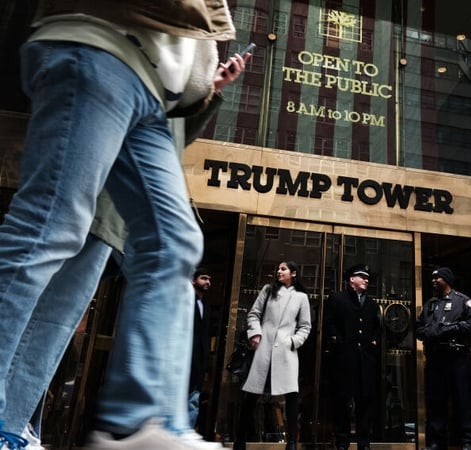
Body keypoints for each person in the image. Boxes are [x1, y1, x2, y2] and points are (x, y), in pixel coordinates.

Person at [0, 1, 248, 448]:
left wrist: (207, 89)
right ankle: (13, 425)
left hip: (148, 93)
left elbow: (182, 128)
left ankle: (139, 423)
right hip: (102, 48)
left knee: (174, 244)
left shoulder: (183, 54)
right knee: (48, 230)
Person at [234, 261, 312, 450]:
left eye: (283, 269)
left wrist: (293, 342)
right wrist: (255, 333)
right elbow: (253, 314)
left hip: (286, 351)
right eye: (278, 268)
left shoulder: (301, 297)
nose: (279, 271)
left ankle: (291, 442)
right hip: (264, 348)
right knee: (251, 395)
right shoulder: (268, 290)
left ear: (293, 273)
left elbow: (305, 326)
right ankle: (240, 440)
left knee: (291, 397)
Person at [415, 267, 471, 450]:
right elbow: (418, 328)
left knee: (462, 399)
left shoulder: (462, 301)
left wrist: (452, 328)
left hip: (456, 357)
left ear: (447, 280)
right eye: (433, 278)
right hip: (435, 358)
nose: (433, 281)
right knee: (436, 401)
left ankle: (467, 441)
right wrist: (433, 332)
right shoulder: (429, 305)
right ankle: (437, 441)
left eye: (438, 278)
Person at [323, 264, 381, 450]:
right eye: (362, 276)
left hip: (365, 360)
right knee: (342, 401)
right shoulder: (337, 298)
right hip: (344, 359)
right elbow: (329, 323)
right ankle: (342, 442)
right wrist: (337, 341)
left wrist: (374, 341)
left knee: (365, 402)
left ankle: (364, 443)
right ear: (351, 280)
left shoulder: (372, 304)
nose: (366, 280)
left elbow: (377, 327)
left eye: (367, 277)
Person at [189, 268, 213, 430]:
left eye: (209, 279)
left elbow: (205, 336)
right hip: (184, 358)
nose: (208, 282)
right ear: (193, 280)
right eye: (204, 278)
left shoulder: (206, 306)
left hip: (199, 362)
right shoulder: (185, 301)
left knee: (193, 400)